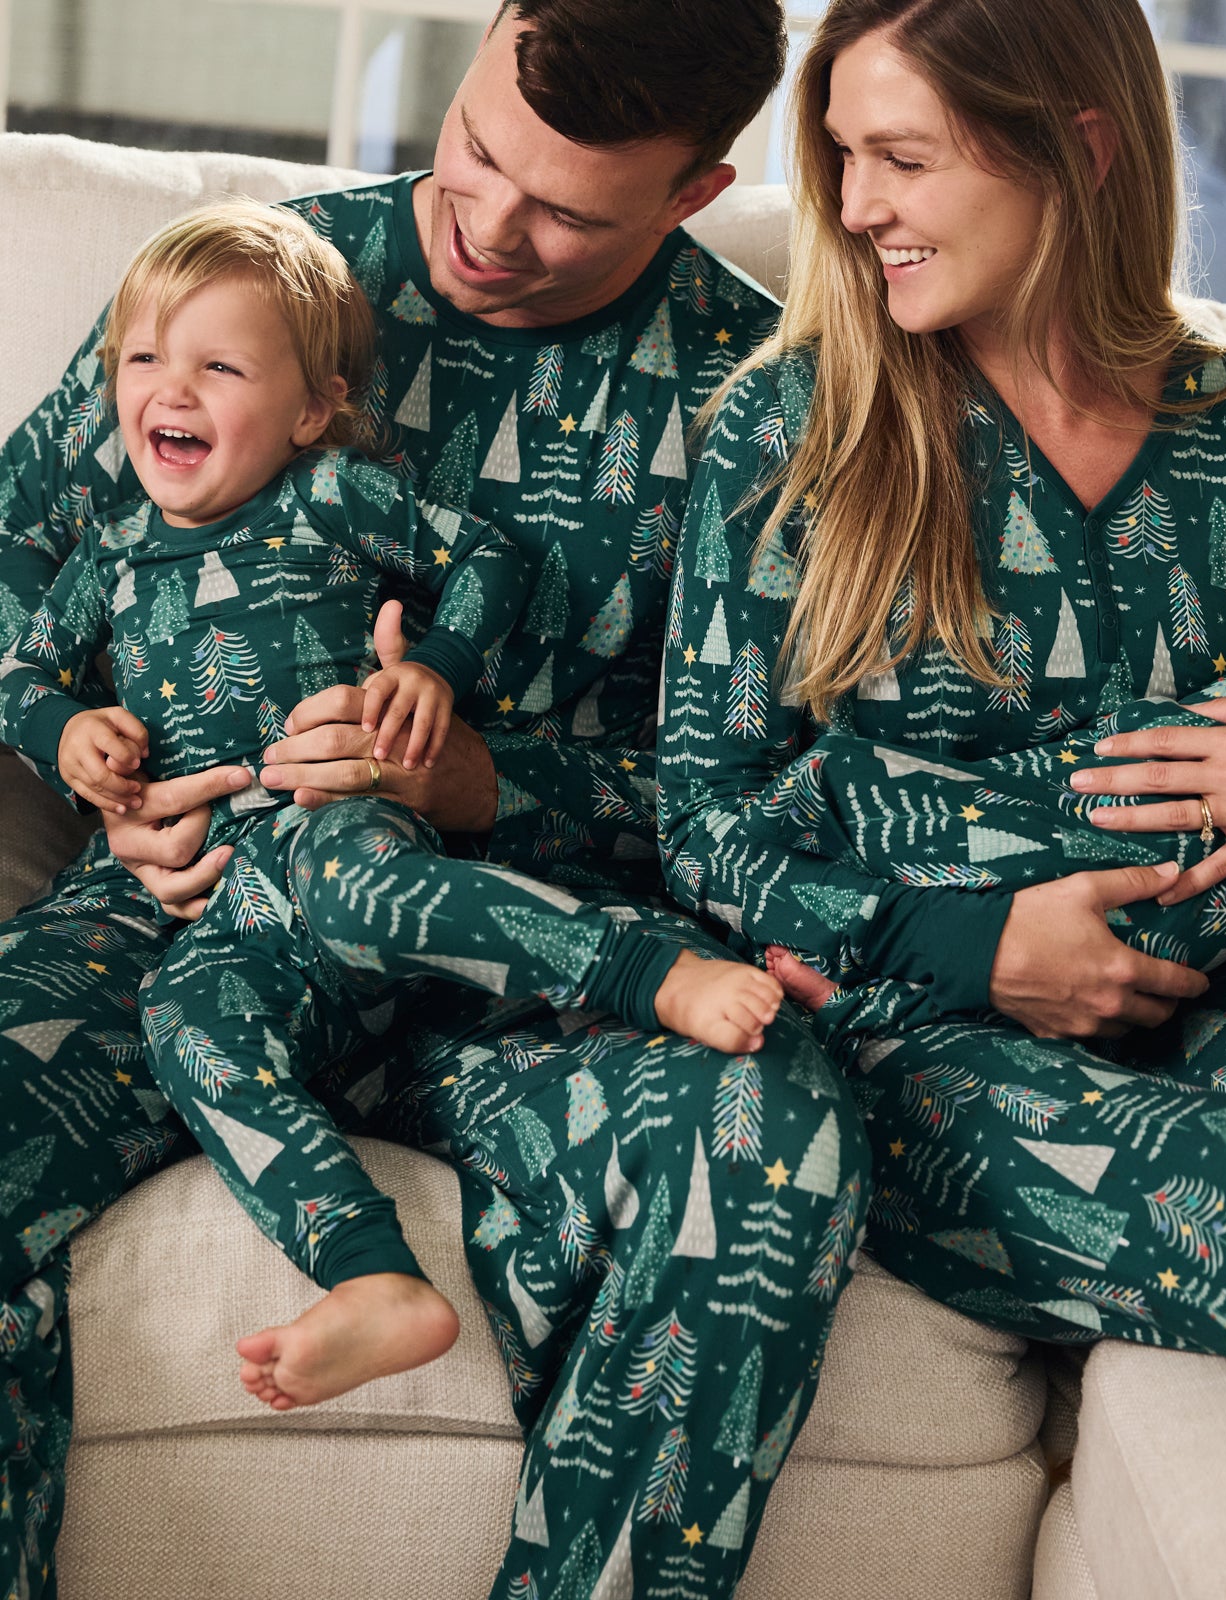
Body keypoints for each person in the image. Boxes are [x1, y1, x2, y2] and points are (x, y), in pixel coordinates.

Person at [0, 2, 869, 1594]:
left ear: (694, 190)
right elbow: (19, 562)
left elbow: (774, 804)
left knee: (774, 1121)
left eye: (563, 212)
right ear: (482, 44)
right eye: (475, 151)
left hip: (514, 981)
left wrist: (490, 782)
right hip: (178, 928)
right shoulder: (243, 285)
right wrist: (102, 751)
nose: (485, 225)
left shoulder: (769, 405)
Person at [0, 196, 788, 1415]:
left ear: (311, 410)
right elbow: (22, 674)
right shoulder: (108, 554)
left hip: (338, 817)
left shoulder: (326, 495)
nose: (170, 388)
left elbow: (486, 558)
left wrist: (432, 676)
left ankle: (635, 970)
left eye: (220, 366)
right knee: (186, 1019)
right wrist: (68, 742)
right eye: (144, 358)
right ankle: (372, 1277)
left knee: (346, 875)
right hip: (216, 902)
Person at [659, 0, 1226, 1378]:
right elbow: (704, 825)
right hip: (931, 1048)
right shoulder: (794, 429)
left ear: (1081, 148)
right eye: (843, 156)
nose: (858, 203)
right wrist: (975, 945)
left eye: (906, 157)